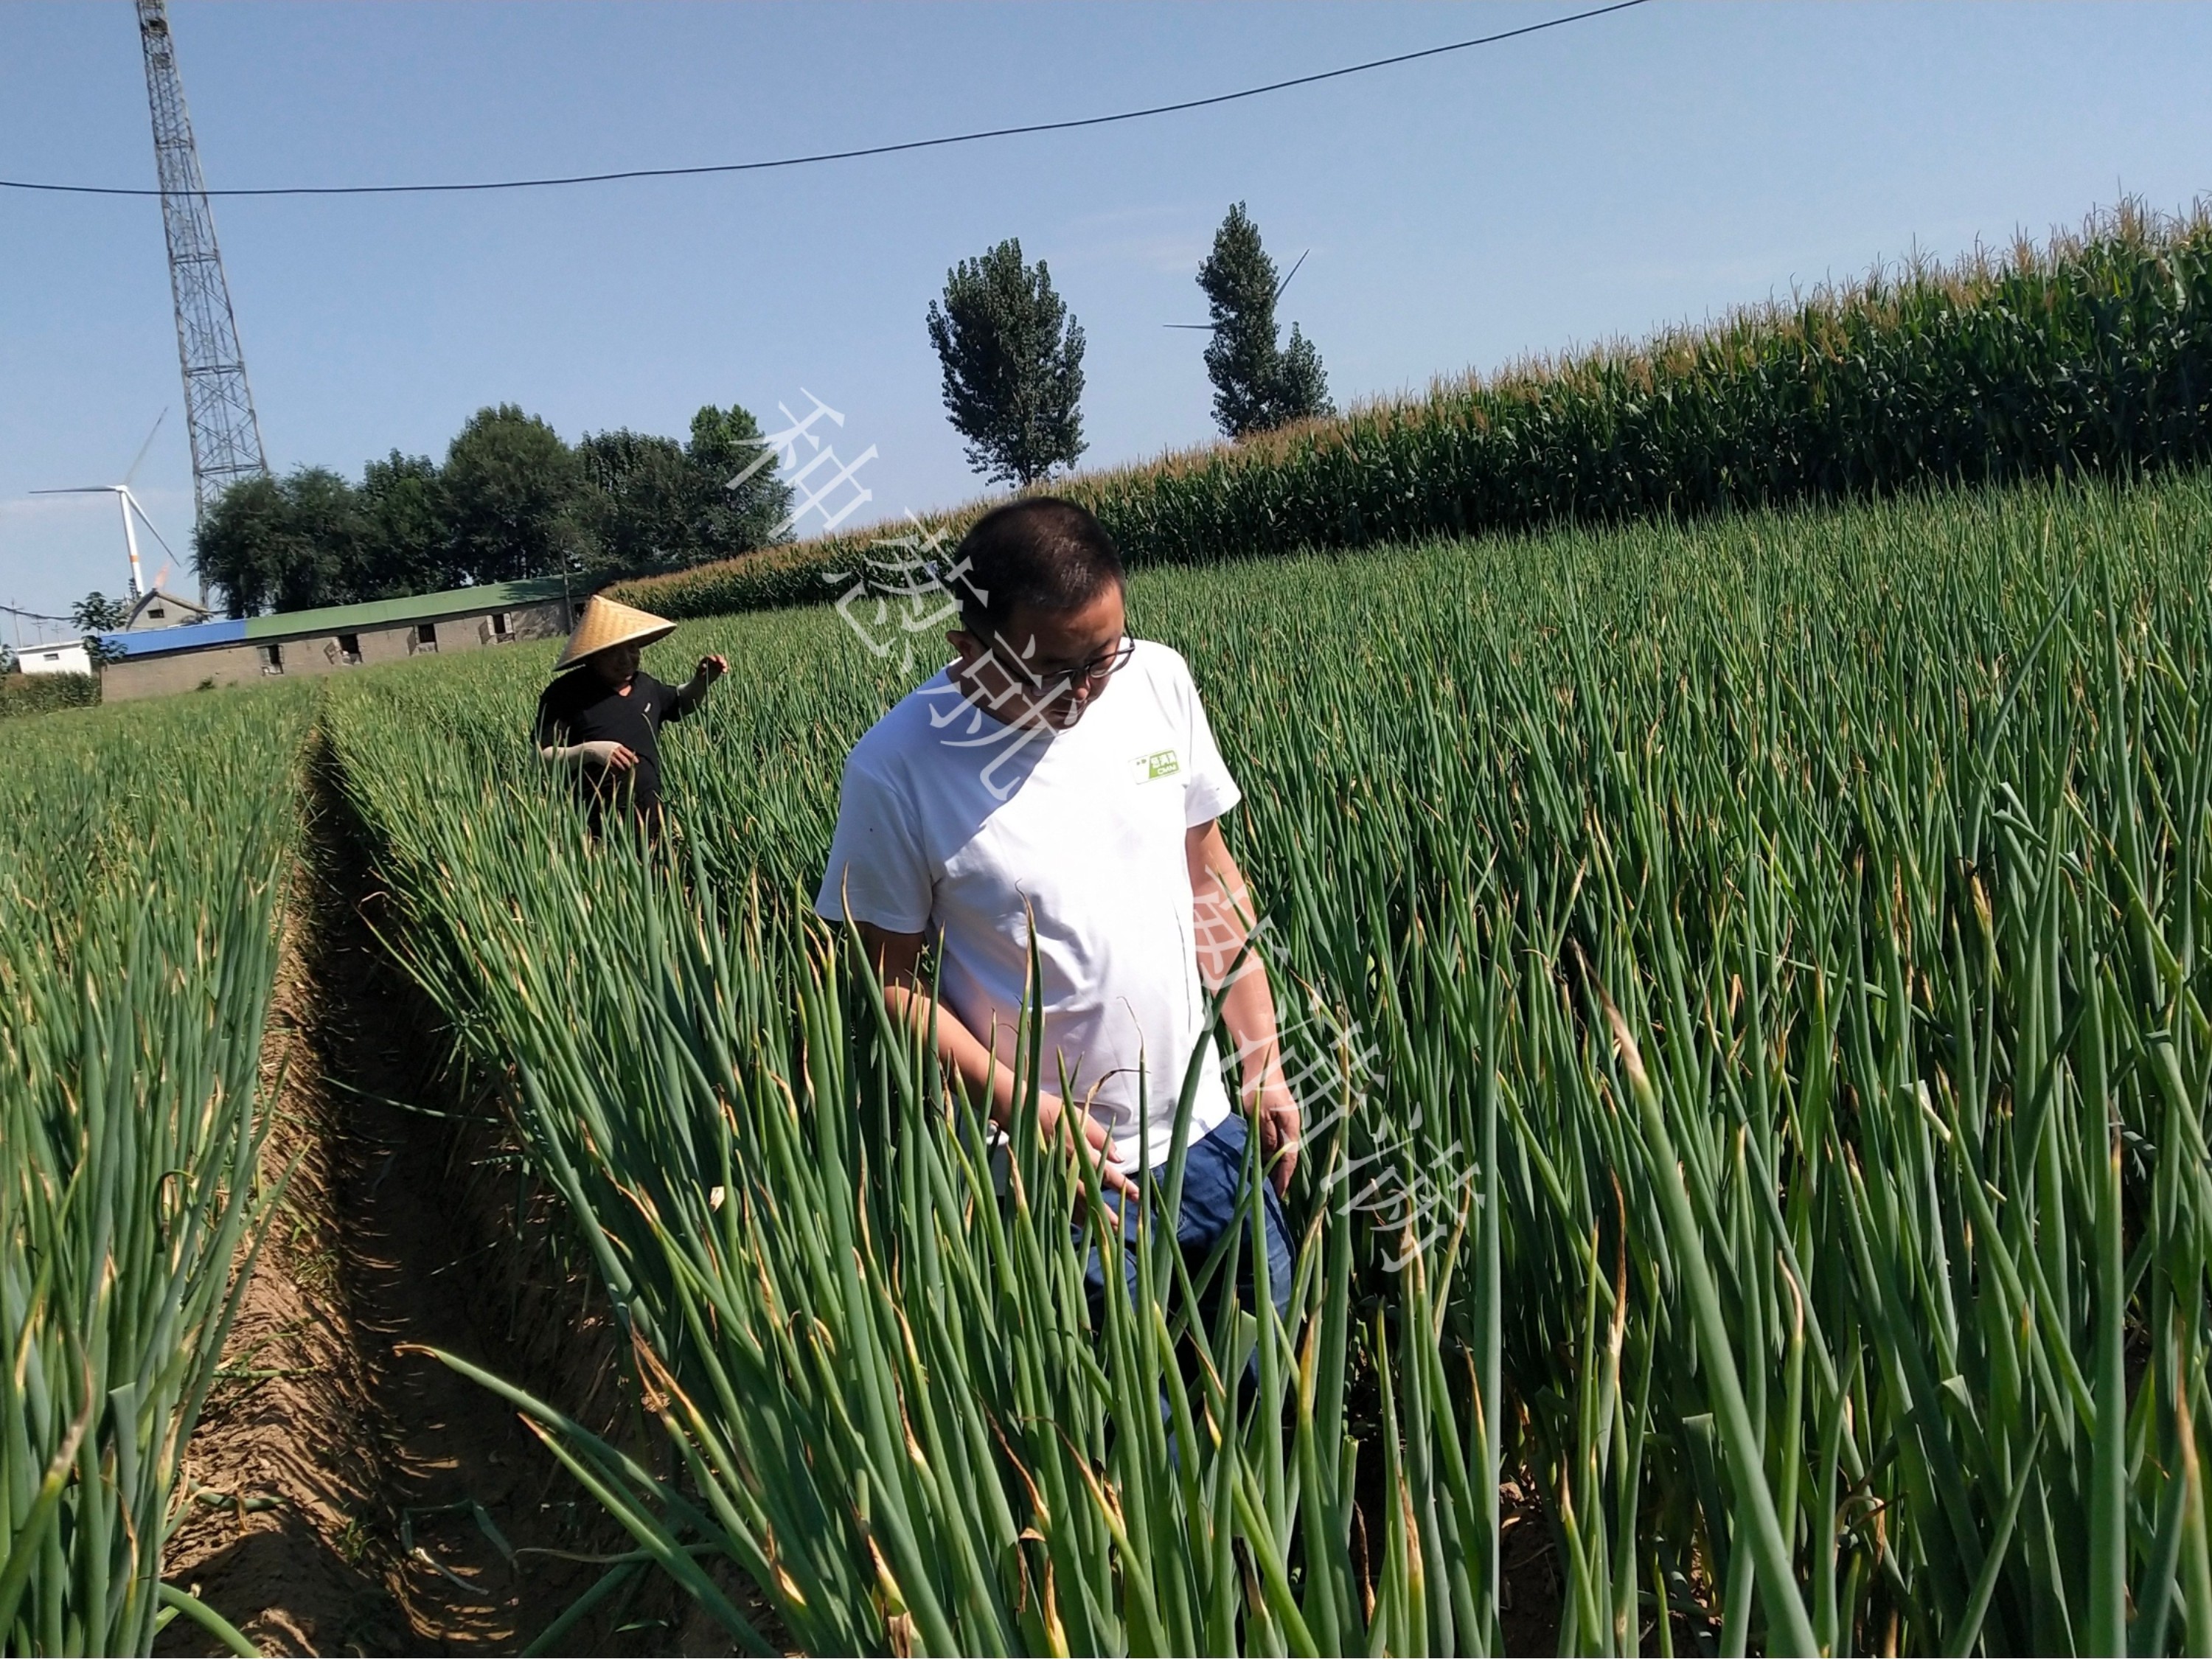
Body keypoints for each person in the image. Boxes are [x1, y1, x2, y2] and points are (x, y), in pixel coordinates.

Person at [815, 497, 1298, 1321]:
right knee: (1136, 1431)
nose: (1084, 693)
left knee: (1277, 1381)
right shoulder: (896, 767)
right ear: (968, 650)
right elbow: (880, 982)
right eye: (1051, 673)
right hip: (1066, 1173)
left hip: (1212, 1128)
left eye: (1103, 656)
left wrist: (1263, 1056)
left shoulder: (1156, 681)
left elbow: (1209, 875)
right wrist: (1022, 1109)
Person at [535, 594, 728, 837]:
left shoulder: (644, 684)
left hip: (653, 813)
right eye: (613, 652)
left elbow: (680, 703)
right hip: (597, 825)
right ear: (593, 656)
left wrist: (702, 682)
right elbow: (541, 758)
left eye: (632, 648)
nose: (626, 660)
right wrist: (592, 751)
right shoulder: (564, 694)